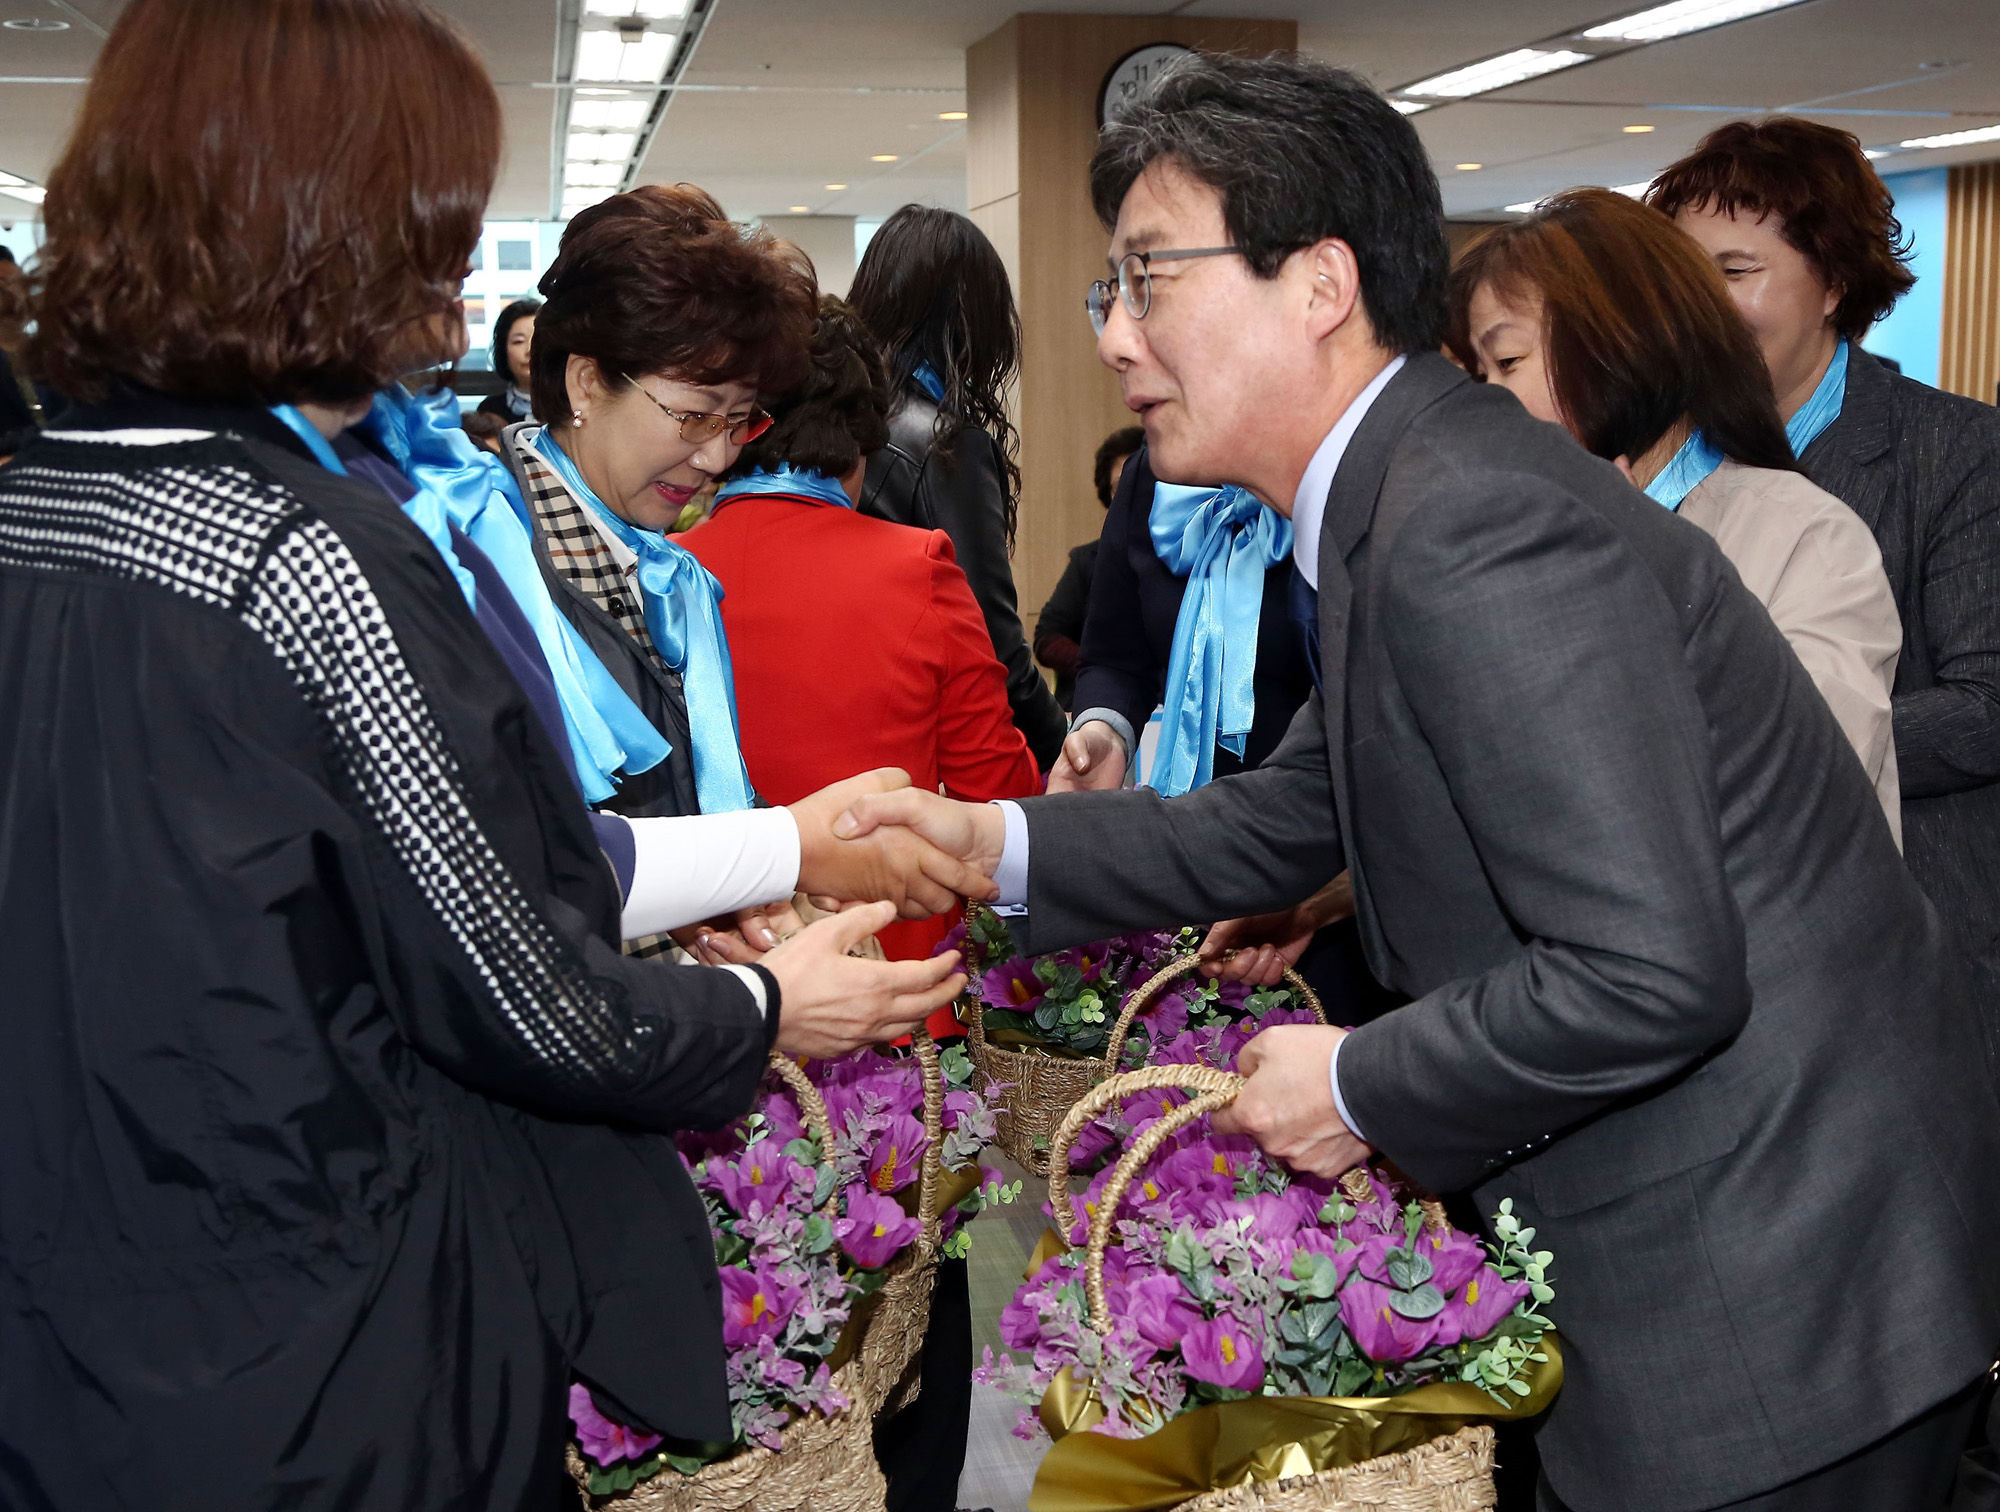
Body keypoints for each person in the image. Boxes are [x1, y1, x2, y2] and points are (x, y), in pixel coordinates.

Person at [835, 53, 2000, 1512]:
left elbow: (1654, 973)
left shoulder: (1468, 529)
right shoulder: (1406, 494)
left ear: (1319, 284)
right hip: (1739, 1235)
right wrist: (988, 841)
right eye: (1106, 292)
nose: (1117, 335)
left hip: (1767, 1289)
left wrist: (1362, 1084)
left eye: (1150, 279)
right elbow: (1288, 809)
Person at [0, 2, 975, 1505]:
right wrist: (772, 1002)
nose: (459, 288)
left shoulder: (42, 507)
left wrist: (776, 843)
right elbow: (522, 986)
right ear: (325, 223)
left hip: (76, 1326)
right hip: (315, 1350)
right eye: (437, 226)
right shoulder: (308, 558)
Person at [684, 294, 1038, 1512]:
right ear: (859, 445)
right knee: (909, 1342)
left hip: (705, 1015)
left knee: (737, 1333)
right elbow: (999, 794)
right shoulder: (913, 566)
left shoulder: (664, 570)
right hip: (896, 1021)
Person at [1649, 117, 2000, 1056]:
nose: (1701, 307)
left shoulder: (1959, 453)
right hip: (1690, 940)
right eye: (1682, 280)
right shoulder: (1643, 451)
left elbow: (1985, 709)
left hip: (1903, 938)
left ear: (1836, 283)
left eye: (1735, 271)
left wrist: (1727, 740)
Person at [1447, 187, 1903, 839]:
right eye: (1477, 374)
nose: (1488, 401)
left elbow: (1792, 791)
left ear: (1620, 346)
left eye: (1509, 361)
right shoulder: (1505, 535)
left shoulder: (1804, 535)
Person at [850, 204, 1069, 769]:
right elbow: (989, 636)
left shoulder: (839, 420)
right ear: (973, 316)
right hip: (928, 737)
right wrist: (1060, 748)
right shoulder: (947, 442)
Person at [1033, 424, 1140, 711]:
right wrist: (1103, 669)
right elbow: (1046, 639)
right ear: (1108, 494)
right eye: (1121, 485)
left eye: (1142, 481)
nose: (1134, 493)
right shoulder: (1087, 560)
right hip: (1096, 708)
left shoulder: (1187, 557)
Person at [477, 295, 539, 421]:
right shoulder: (490, 411)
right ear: (503, 350)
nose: (529, 350)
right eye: (519, 341)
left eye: (538, 340)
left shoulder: (575, 406)